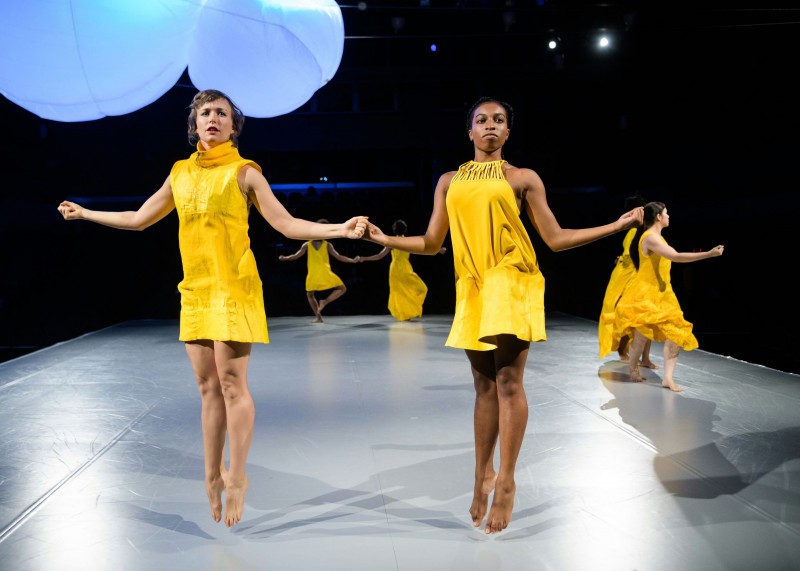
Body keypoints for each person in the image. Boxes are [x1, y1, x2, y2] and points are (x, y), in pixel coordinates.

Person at [57, 89, 367, 528]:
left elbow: (285, 223)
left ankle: (236, 475)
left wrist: (338, 228)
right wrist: (88, 214)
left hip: (235, 287)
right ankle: (209, 476)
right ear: (195, 125)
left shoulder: (245, 173)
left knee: (232, 384)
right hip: (196, 291)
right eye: (206, 112)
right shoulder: (180, 173)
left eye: (222, 113)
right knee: (207, 389)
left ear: (233, 126)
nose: (213, 118)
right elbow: (140, 217)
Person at [363, 96, 643, 534]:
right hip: (472, 285)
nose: (490, 125)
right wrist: (386, 239)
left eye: (499, 120)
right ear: (469, 131)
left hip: (511, 278)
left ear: (508, 132)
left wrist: (615, 225)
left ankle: (507, 482)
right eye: (481, 120)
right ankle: (482, 475)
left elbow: (554, 237)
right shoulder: (448, 181)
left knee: (509, 382)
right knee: (483, 384)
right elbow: (434, 242)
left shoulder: (523, 177)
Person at [608, 201, 724, 392]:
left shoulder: (658, 238)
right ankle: (633, 367)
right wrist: (709, 254)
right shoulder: (650, 238)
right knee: (641, 338)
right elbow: (676, 256)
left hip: (664, 295)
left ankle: (667, 378)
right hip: (645, 294)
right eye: (666, 213)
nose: (669, 217)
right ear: (659, 217)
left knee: (675, 334)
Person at [597, 194, 656, 368]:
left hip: (639, 275)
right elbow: (632, 255)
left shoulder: (647, 231)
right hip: (626, 275)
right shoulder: (634, 230)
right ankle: (624, 351)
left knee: (646, 317)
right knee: (625, 315)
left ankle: (645, 358)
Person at [357, 219, 446, 321]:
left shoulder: (395, 241)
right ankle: (405, 315)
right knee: (405, 291)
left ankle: (408, 312)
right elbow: (423, 249)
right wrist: (438, 250)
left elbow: (379, 256)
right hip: (402, 268)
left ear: (395, 230)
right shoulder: (401, 241)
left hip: (399, 268)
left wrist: (365, 258)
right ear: (405, 230)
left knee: (403, 291)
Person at [278, 220, 360, 323]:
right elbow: (339, 257)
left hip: (313, 274)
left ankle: (318, 317)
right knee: (342, 289)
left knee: (310, 295)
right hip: (325, 272)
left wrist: (285, 258)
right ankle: (324, 302)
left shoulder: (307, 244)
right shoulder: (326, 244)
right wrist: (352, 260)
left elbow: (295, 256)